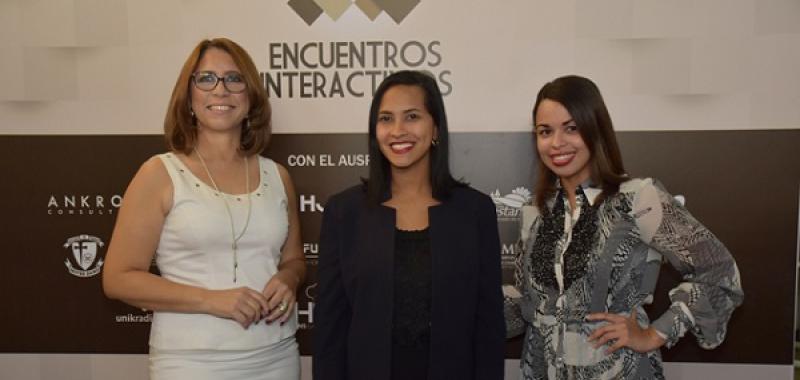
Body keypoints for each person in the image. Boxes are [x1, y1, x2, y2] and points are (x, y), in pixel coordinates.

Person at [504, 75, 744, 379]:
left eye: (572, 128)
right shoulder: (536, 213)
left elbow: (719, 271)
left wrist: (655, 333)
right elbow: (527, 303)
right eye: (545, 131)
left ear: (596, 129)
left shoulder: (638, 199)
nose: (556, 143)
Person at [102, 38, 305, 380]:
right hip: (190, 363)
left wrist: (288, 278)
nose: (220, 90)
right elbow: (118, 279)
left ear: (251, 96)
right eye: (206, 78)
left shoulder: (277, 175)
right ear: (189, 96)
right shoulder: (159, 173)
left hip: (277, 356)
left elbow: (295, 260)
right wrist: (212, 300)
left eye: (234, 79)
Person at [313, 70, 505, 380]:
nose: (398, 130)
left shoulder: (475, 211)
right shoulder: (343, 212)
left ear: (436, 129)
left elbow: (488, 328)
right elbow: (330, 330)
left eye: (412, 116)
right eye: (386, 119)